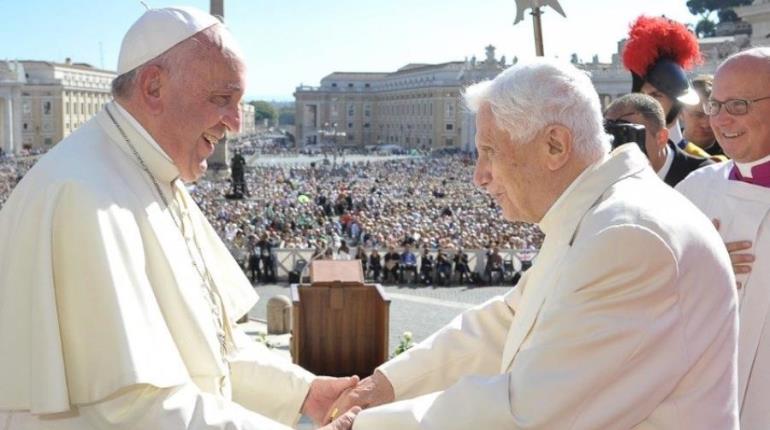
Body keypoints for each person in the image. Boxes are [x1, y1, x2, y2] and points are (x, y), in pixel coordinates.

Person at [328, 58, 738, 429]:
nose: (479, 176)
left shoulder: (628, 235)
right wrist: (384, 386)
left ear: (555, 145)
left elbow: (528, 413)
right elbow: (509, 321)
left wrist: (363, 425)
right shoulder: (599, 216)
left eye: (490, 151)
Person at [0, 7, 359, 430]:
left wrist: (305, 392)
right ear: (154, 86)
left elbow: (208, 352)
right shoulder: (83, 195)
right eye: (222, 99)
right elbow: (136, 405)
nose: (236, 123)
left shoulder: (152, 173)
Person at [675, 47, 770, 430]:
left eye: (740, 104)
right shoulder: (693, 191)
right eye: (716, 105)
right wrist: (697, 275)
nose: (723, 119)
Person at [621, 15, 713, 159]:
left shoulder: (706, 163)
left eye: (656, 95)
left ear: (677, 103)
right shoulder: (623, 157)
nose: (647, 104)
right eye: (642, 97)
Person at [604, 93, 712, 187]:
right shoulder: (610, 178)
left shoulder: (703, 178)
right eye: (616, 137)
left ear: (661, 138)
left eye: (631, 135)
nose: (622, 148)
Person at [681, 74, 727, 159]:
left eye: (713, 114)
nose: (706, 123)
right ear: (680, 113)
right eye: (697, 115)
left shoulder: (733, 152)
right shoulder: (665, 149)